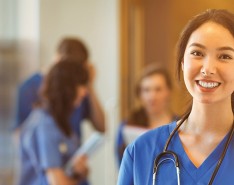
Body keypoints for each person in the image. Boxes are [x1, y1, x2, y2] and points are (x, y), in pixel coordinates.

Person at [117, 9, 234, 185]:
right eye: (197, 53)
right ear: (182, 62)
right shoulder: (141, 151)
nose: (208, 68)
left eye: (224, 56)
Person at [14, 37, 105, 138]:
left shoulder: (78, 89)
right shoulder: (29, 88)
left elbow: (101, 127)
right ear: (57, 61)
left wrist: (89, 84)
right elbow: (20, 135)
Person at [19, 59, 90, 185]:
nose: (85, 92)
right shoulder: (45, 124)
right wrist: (76, 178)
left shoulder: (60, 121)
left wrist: (77, 171)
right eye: (82, 85)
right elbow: (57, 182)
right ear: (68, 87)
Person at [115, 66, 177, 166]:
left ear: (168, 92)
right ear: (139, 94)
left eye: (158, 89)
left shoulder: (182, 125)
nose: (152, 96)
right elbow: (122, 166)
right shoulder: (127, 126)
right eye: (146, 90)